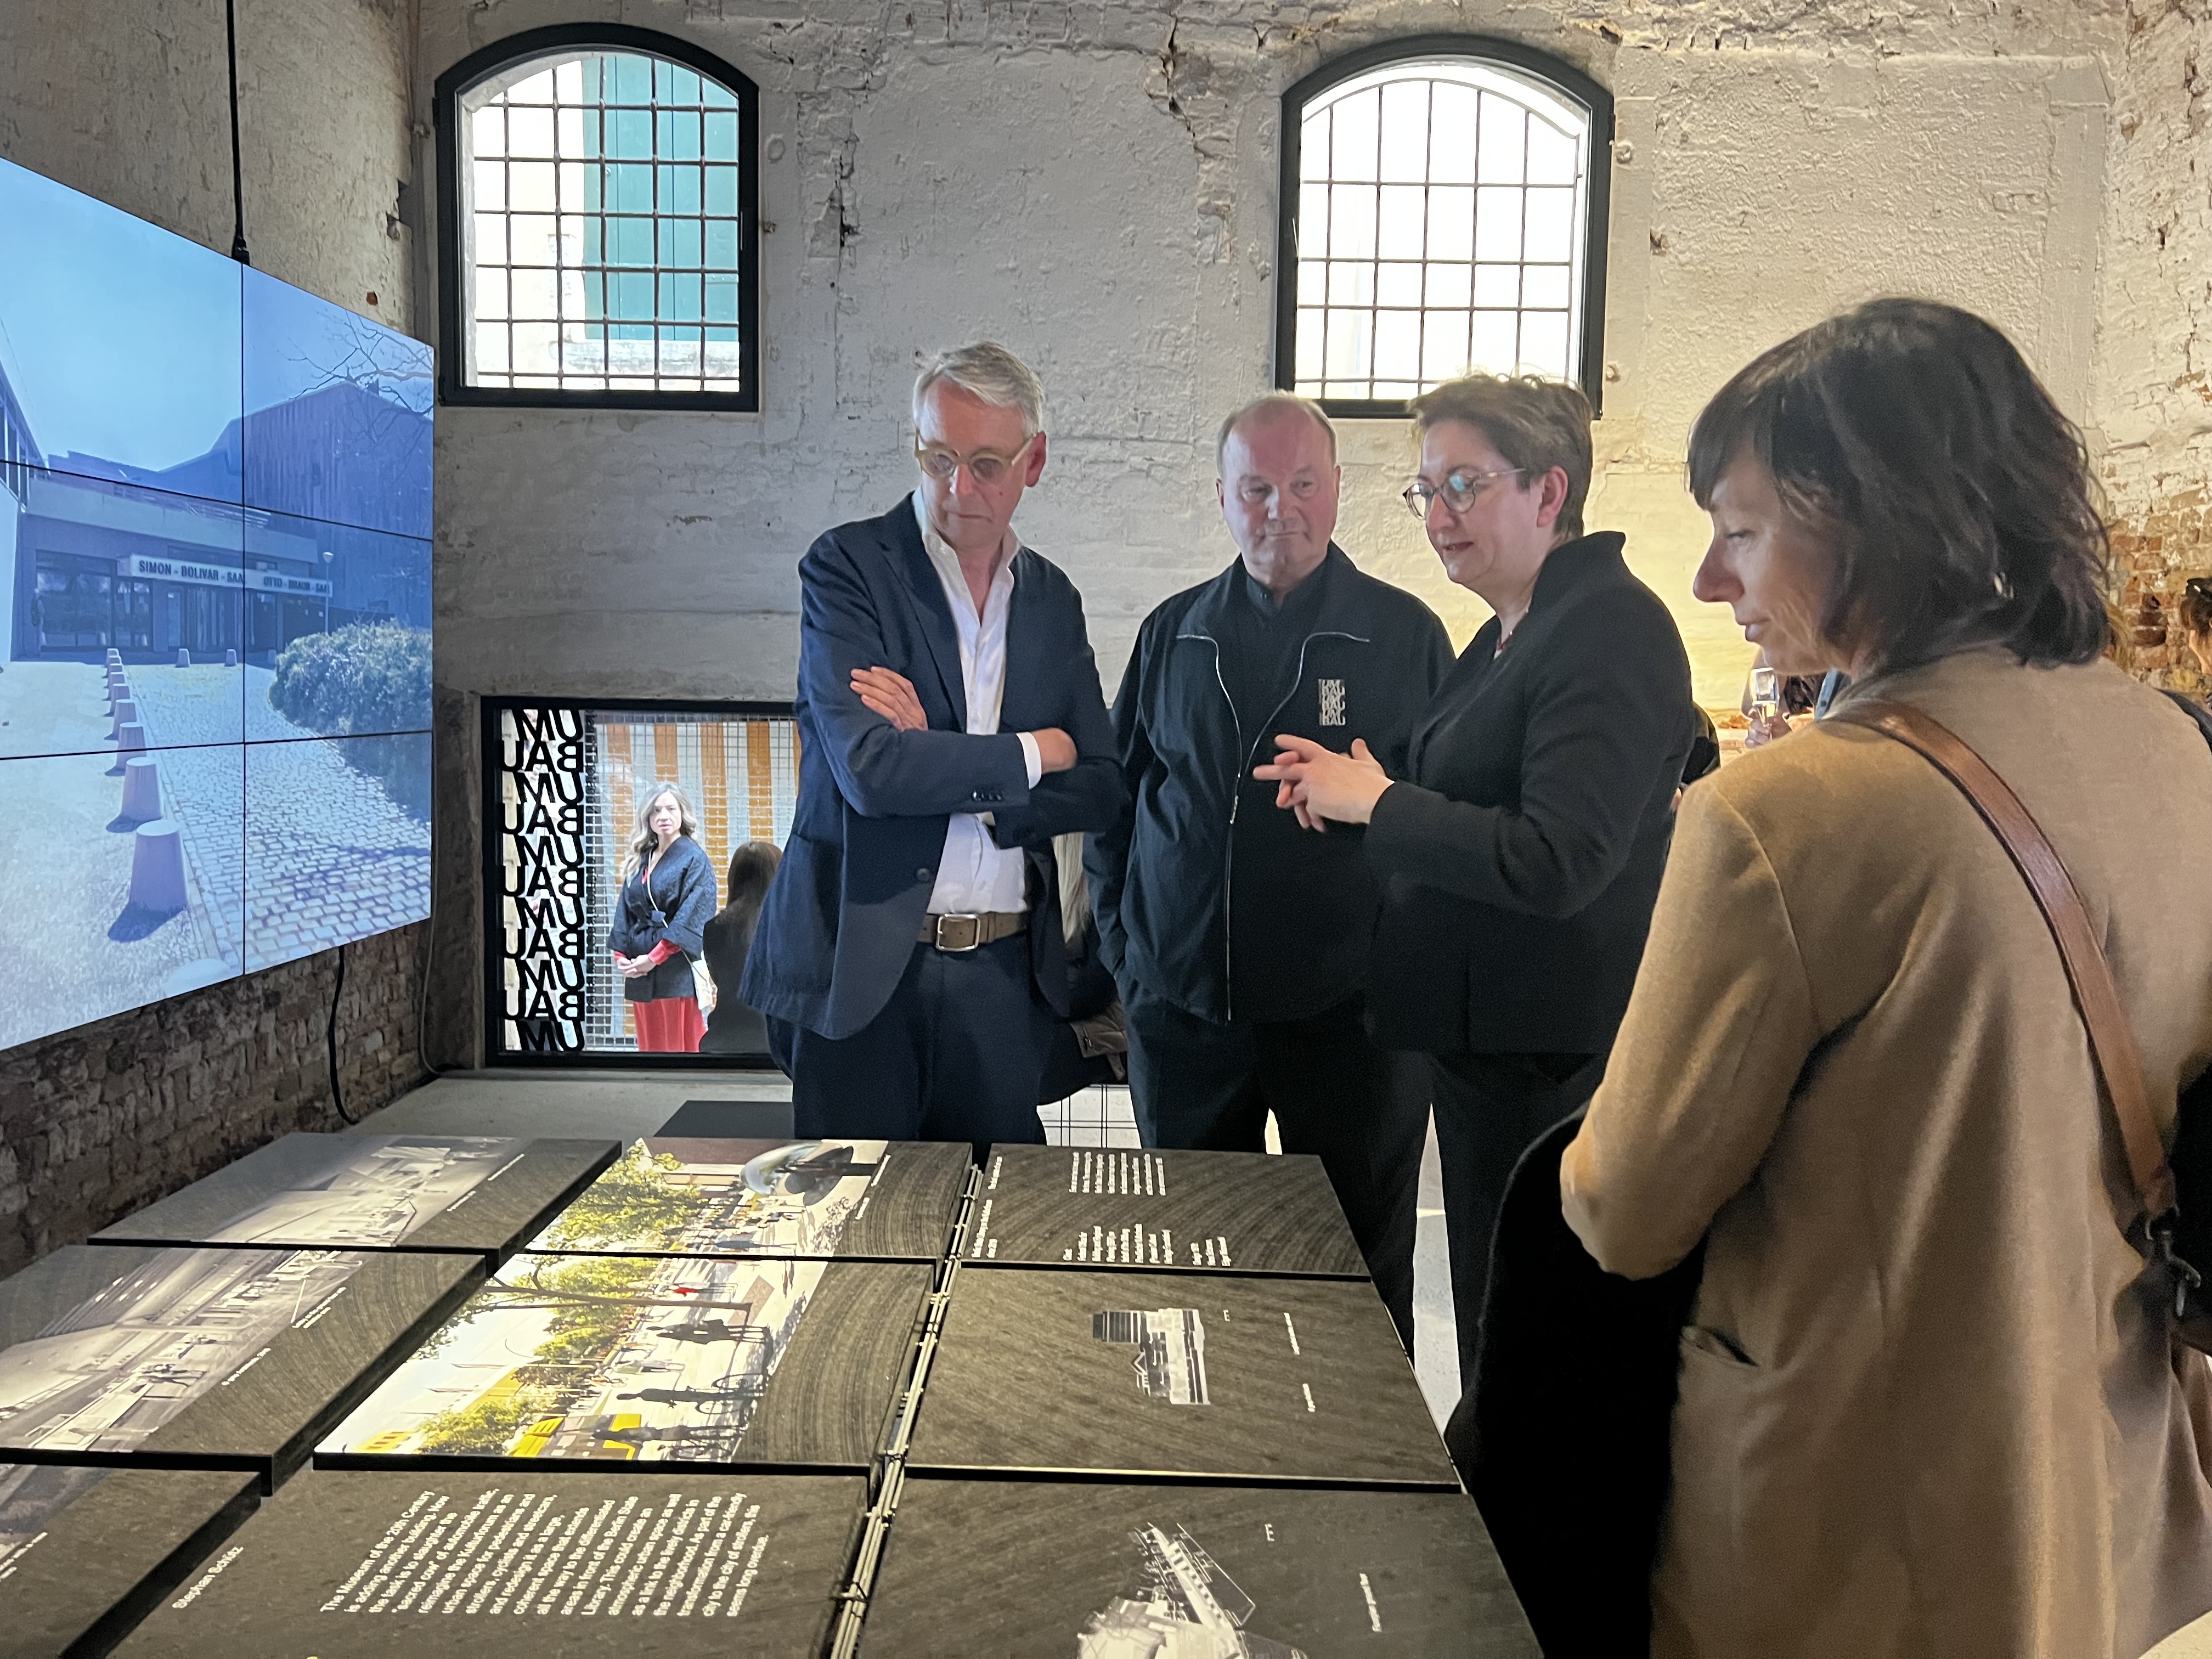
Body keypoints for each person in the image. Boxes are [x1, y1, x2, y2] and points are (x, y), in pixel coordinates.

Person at [1559, 298, 2212, 1657]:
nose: (1710, 580)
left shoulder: (1785, 815)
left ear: (1875, 522)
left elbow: (1627, 1208)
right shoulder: (2175, 748)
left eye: (1742, 531)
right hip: (2107, 1458)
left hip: (1859, 1507)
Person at [1255, 373, 1695, 1386]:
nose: (1438, 514)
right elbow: (1464, 794)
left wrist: (1380, 803)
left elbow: (1558, 858)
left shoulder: (1608, 627)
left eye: (1464, 484)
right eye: (1427, 489)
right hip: (1487, 1046)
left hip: (1547, 1063)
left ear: (1550, 490)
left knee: (1534, 1349)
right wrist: (1359, 792)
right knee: (1499, 1328)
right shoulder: (1513, 629)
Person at [1087, 392, 1452, 1347]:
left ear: (1337, 490)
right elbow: (1115, 804)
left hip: (1352, 1029)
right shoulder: (1174, 633)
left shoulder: (1402, 636)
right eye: (1255, 488)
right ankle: (1208, 1434)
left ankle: (1362, 1440)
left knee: (1358, 1278)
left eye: (1301, 484)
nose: (1279, 509)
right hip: (1185, 1019)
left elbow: (1444, 828)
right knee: (1192, 1268)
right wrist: (1129, 956)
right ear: (1221, 496)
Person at [741, 342, 1120, 1158]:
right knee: (858, 1220)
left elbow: (1099, 783)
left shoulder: (1052, 598)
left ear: (1034, 462)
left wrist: (944, 762)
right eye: (938, 457)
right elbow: (873, 772)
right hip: (860, 972)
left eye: (986, 464)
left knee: (995, 1218)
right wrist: (1033, 751)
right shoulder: (848, 569)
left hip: (1001, 975)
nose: (958, 488)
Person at [608, 782, 717, 1053]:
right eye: (656, 810)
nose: (663, 816)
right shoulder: (641, 860)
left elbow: (692, 915)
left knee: (679, 1048)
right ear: (648, 817)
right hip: (639, 966)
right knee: (649, 1048)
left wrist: (654, 958)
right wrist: (622, 957)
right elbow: (625, 911)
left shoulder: (695, 859)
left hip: (675, 965)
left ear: (682, 813)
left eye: (671, 809)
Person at [699, 839, 781, 1056]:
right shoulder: (791, 929)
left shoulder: (714, 929)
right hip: (775, 1045)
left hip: (722, 1040)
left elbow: (721, 980)